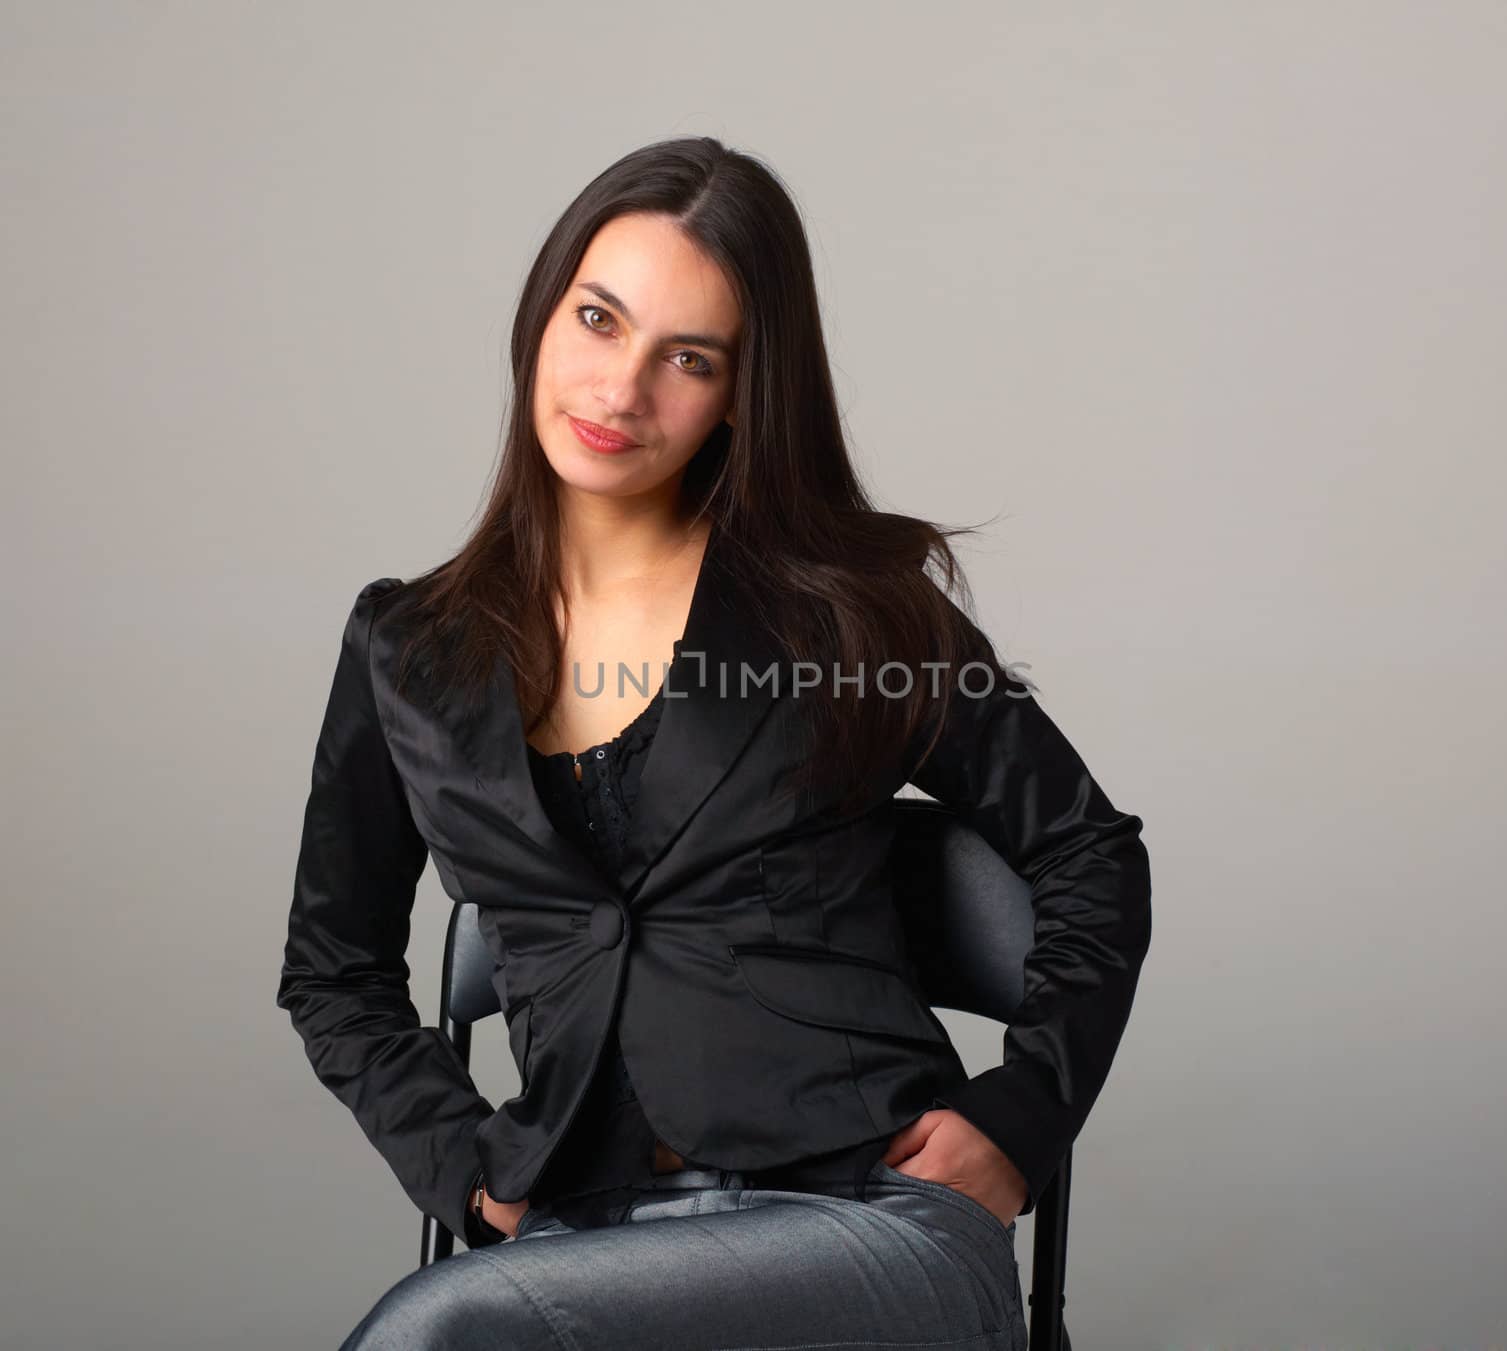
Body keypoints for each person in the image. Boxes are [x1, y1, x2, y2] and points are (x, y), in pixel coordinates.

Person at [277, 136, 1153, 1351]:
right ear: (542, 314)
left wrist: (1023, 1111)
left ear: (742, 393)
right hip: (581, 1238)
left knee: (444, 1334)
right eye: (597, 319)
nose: (619, 391)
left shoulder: (846, 609)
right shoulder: (405, 648)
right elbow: (333, 969)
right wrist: (466, 1162)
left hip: (868, 1221)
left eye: (685, 358)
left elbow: (1086, 850)